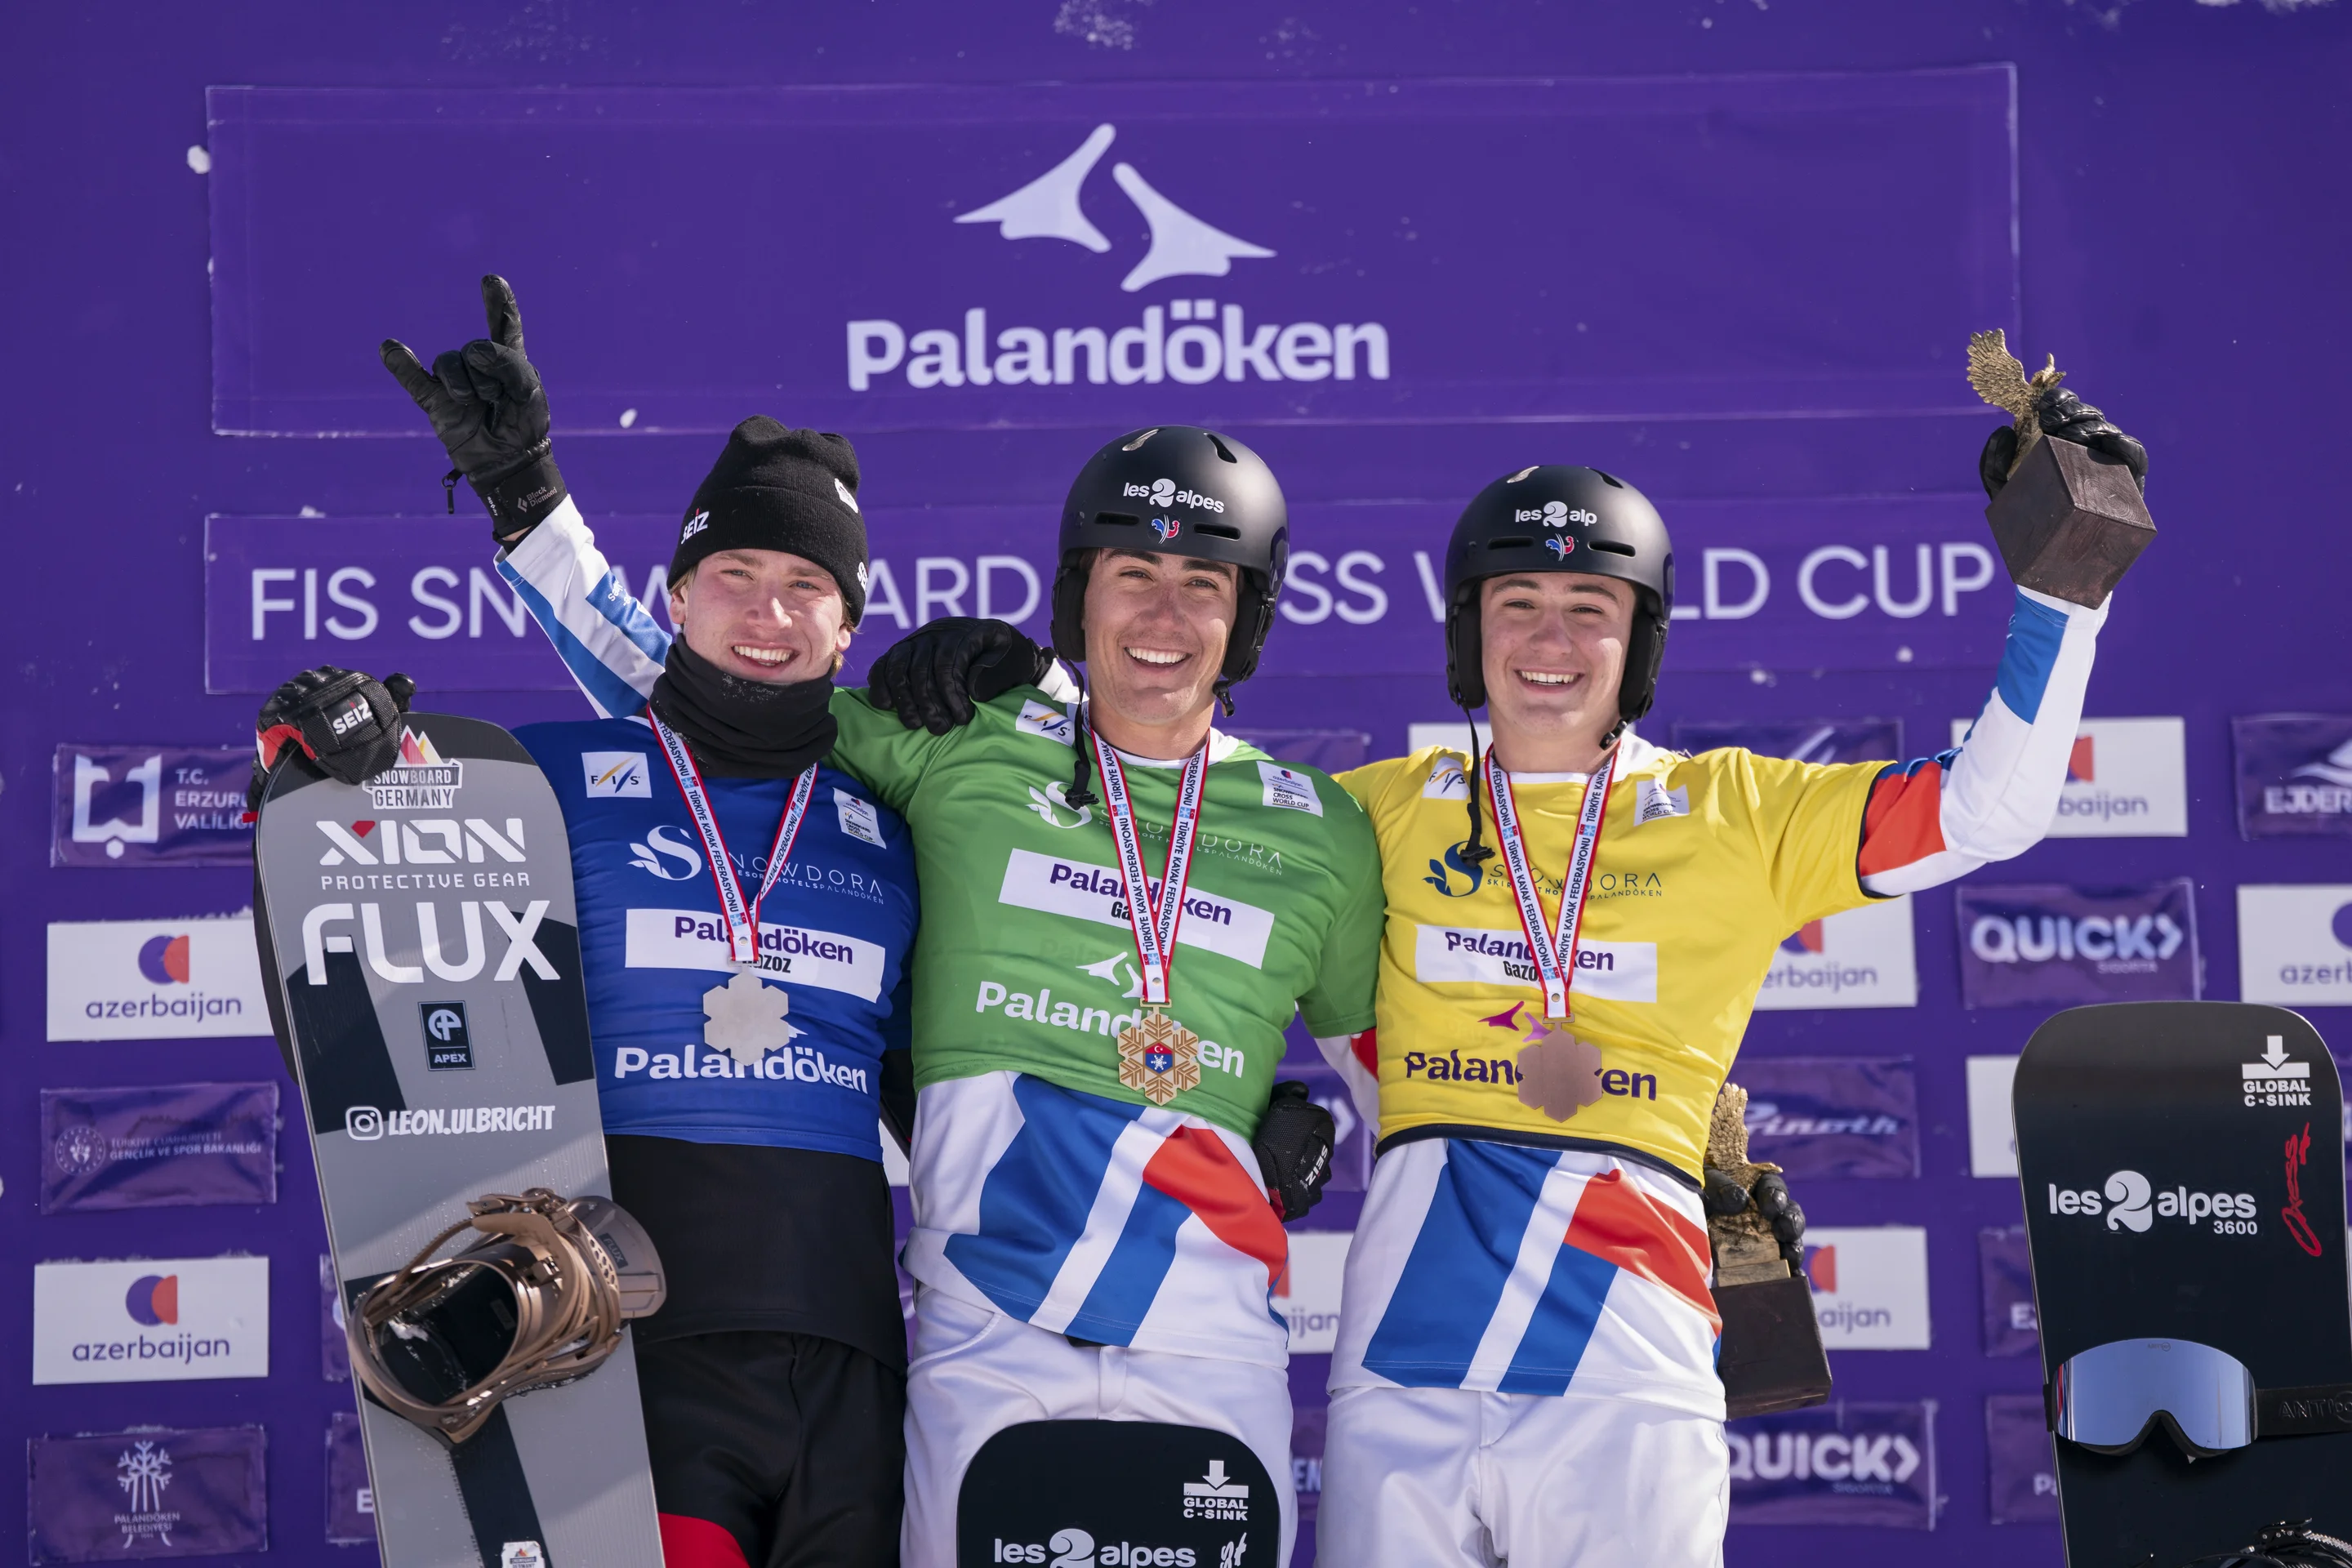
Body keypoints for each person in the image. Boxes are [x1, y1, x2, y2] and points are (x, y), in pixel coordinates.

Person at [880, 391, 2147, 1565]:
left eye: (1589, 609)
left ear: (1638, 641)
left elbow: (1987, 812)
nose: (1551, 641)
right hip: (1400, 1377)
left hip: (1626, 1367)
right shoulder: (1358, 820)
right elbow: (1165, 780)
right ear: (1466, 633)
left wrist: (2061, 591)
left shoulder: (1741, 815)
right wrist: (1025, 679)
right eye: (1517, 605)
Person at [463, 291, 1374, 1563]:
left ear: (1251, 613)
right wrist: (529, 507)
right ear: (1078, 596)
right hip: (978, 1342)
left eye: (1203, 585)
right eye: (1132, 578)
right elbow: (710, 699)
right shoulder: (959, 747)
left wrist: (1270, 1106)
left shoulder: (1318, 825)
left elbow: (1426, 1053)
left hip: (1207, 1338)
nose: (1164, 620)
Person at [256, 280, 939, 1568]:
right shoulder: (547, 778)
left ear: (852, 626)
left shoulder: (891, 821)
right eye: (732, 574)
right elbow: (348, 948)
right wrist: (314, 762)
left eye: (807, 586)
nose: (769, 611)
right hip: (625, 1348)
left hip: (854, 1352)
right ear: (676, 597)